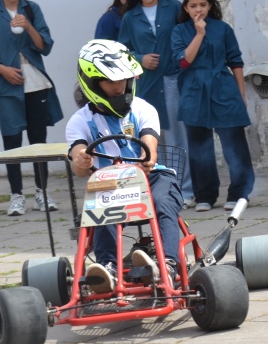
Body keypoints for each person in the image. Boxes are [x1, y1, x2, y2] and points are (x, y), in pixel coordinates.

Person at [67, 39, 184, 290]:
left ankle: (167, 263)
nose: (119, 87)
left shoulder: (142, 108)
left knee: (164, 202)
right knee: (100, 197)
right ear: (92, 83)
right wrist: (81, 159)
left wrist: (147, 157)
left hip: (150, 177)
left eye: (123, 79)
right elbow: (78, 163)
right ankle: (108, 269)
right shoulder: (79, 121)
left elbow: (150, 143)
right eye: (111, 81)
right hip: (109, 182)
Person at [0, 0, 63, 216]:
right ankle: (16, 196)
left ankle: (41, 192)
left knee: (39, 141)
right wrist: (2, 69)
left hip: (35, 83)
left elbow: (45, 46)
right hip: (6, 87)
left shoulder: (32, 9)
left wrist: (29, 26)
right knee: (12, 142)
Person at [171, 0, 255, 212]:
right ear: (186, 8)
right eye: (193, 6)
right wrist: (199, 34)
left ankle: (239, 192)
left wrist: (241, 94)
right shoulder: (179, 31)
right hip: (193, 92)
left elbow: (235, 62)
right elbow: (184, 61)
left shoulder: (223, 29)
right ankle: (205, 195)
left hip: (224, 89)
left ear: (210, 6)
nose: (199, 9)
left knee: (233, 143)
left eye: (203, 5)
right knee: (199, 146)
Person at [118, 0, 195, 207]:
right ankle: (158, 191)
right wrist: (140, 58)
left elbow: (187, 35)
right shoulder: (130, 17)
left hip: (172, 79)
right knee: (151, 139)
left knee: (177, 138)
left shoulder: (172, 8)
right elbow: (122, 50)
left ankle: (185, 191)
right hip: (147, 84)